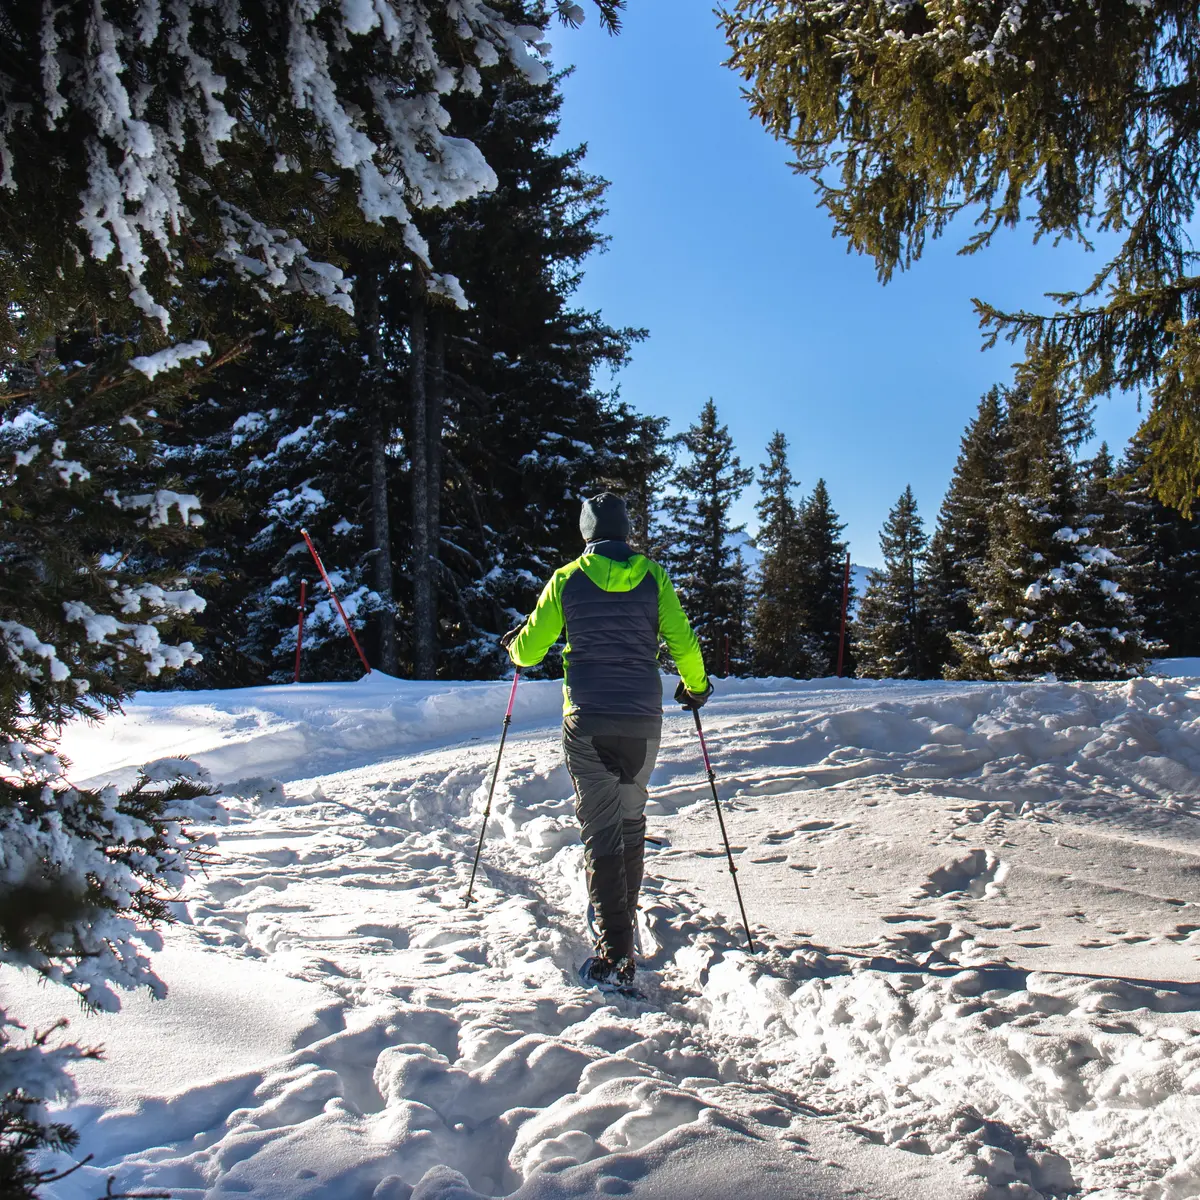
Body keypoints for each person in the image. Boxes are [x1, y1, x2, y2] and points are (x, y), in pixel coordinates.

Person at [502, 492, 711, 988]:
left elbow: (529, 652)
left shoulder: (567, 577)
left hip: (588, 718)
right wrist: (697, 686)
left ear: (587, 533)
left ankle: (615, 953)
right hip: (642, 718)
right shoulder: (654, 576)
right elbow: (682, 639)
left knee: (601, 829)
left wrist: (515, 644)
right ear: (625, 530)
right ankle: (622, 927)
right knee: (630, 820)